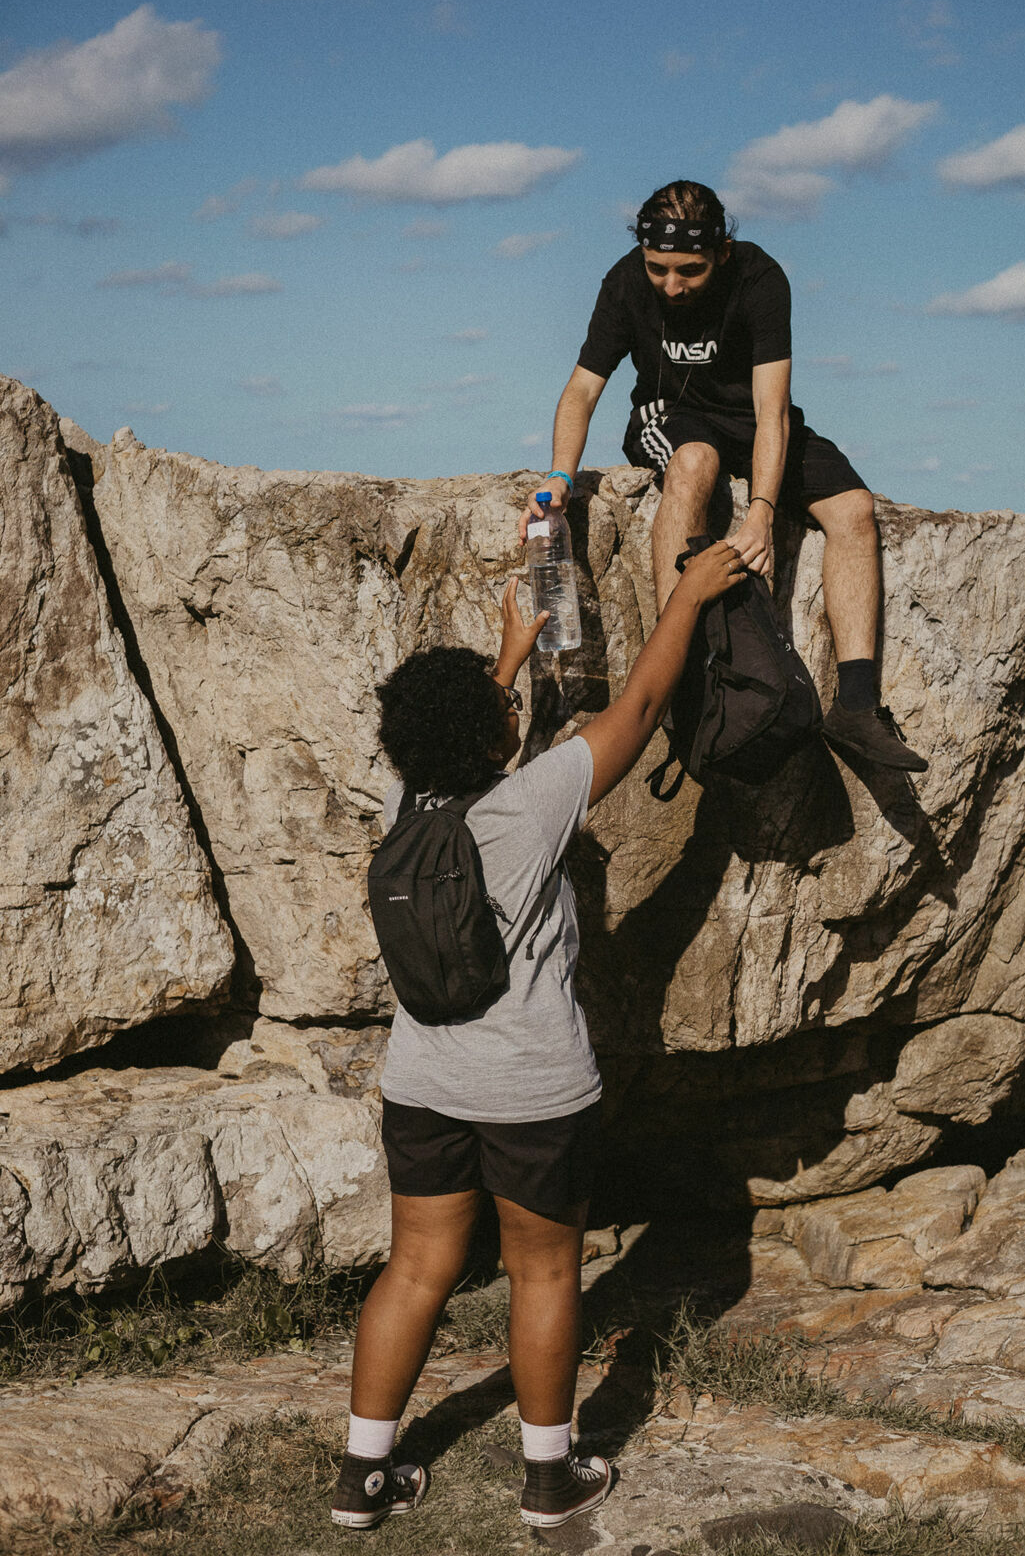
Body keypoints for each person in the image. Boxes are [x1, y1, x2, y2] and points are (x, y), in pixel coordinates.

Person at [332, 542, 746, 1533]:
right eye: (501, 711)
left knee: (416, 1267)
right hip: (530, 1088)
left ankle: (360, 1480)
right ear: (494, 735)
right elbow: (639, 708)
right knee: (545, 1271)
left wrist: (506, 660)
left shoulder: (404, 805)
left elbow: (452, 741)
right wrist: (685, 593)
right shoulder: (533, 799)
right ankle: (549, 1480)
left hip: (423, 1079)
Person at [520, 178, 926, 773]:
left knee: (853, 510)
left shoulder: (760, 279)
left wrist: (761, 509)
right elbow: (582, 390)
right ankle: (680, 680)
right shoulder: (626, 282)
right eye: (659, 267)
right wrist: (560, 473)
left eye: (690, 269)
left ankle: (857, 708)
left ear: (723, 253)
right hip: (672, 416)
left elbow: (772, 411)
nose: (672, 284)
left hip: (753, 420)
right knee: (694, 463)